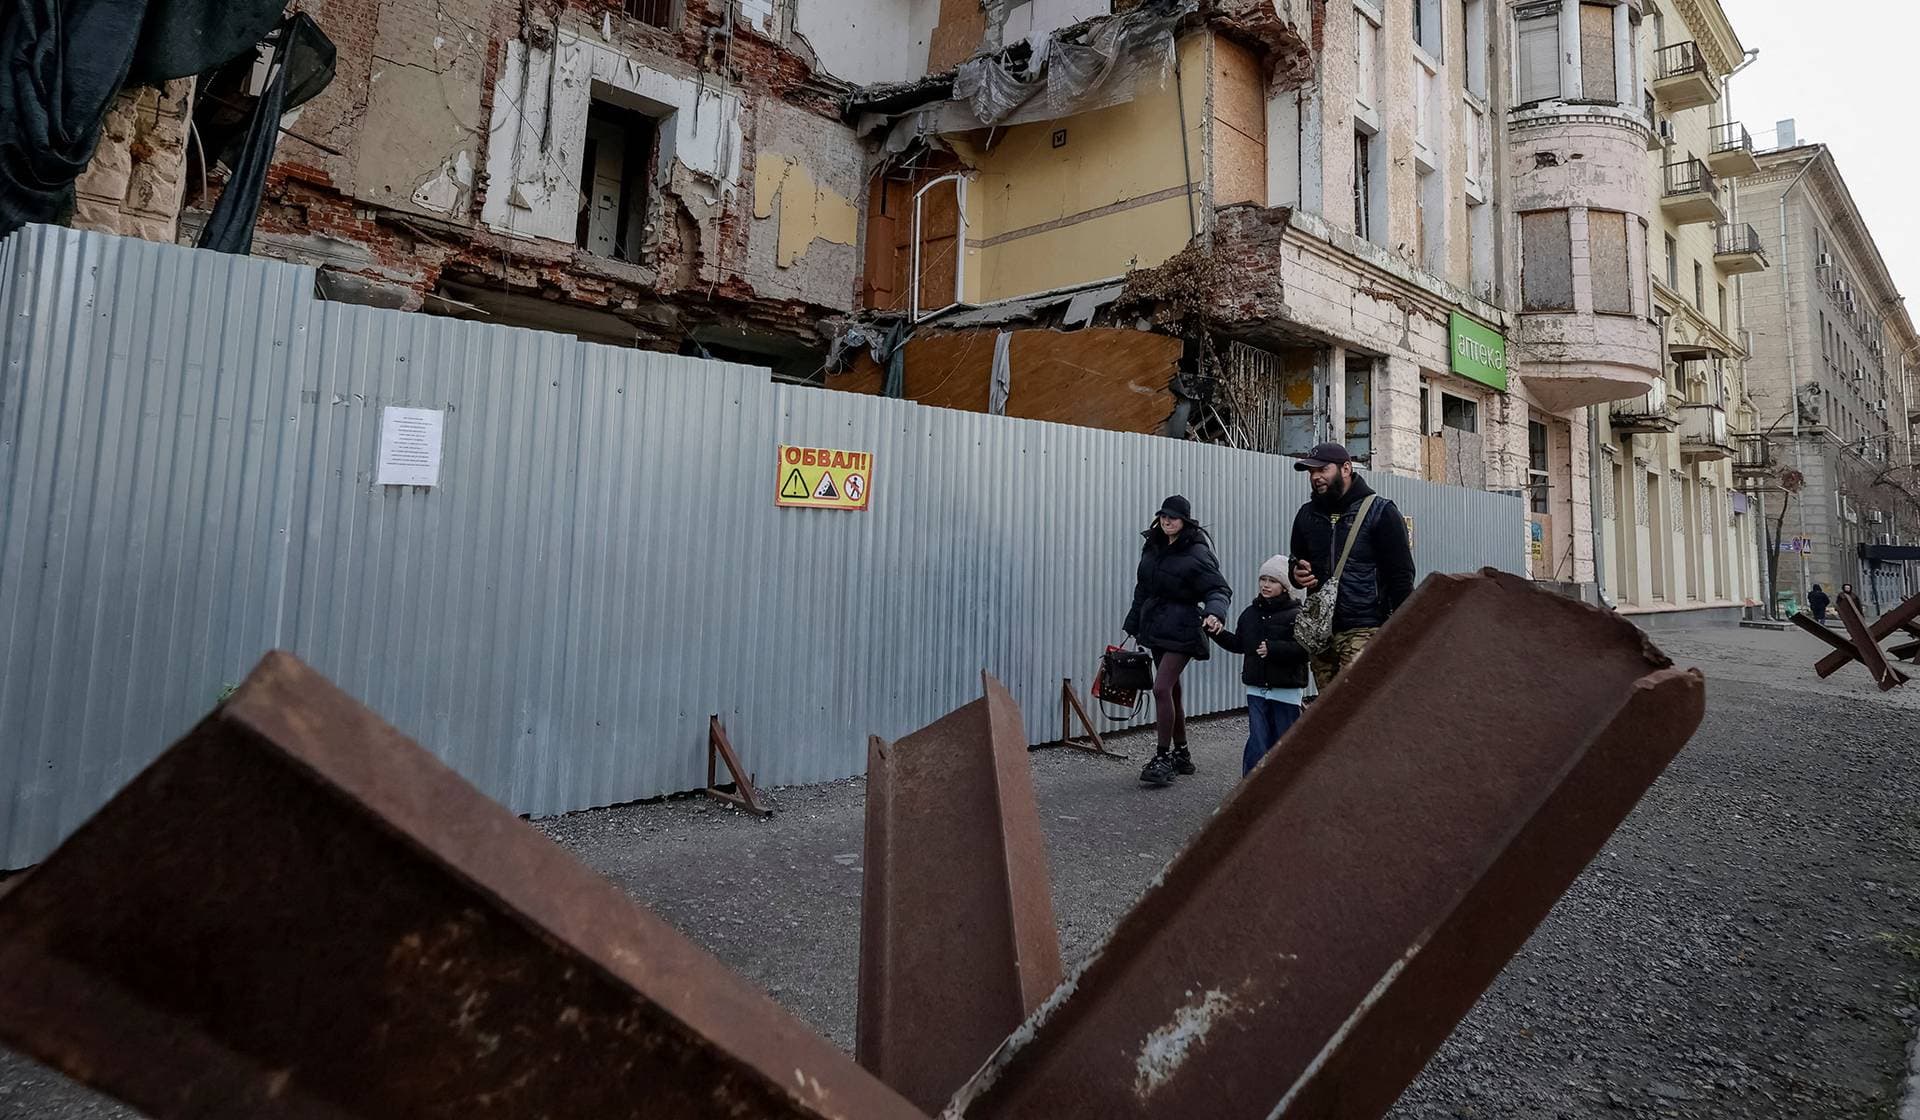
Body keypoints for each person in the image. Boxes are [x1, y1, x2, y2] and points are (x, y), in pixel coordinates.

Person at [1287, 442, 1415, 690]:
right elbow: (1296, 559)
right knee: (1329, 711)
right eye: (1311, 472)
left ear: (1345, 468)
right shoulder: (1307, 515)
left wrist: (1403, 631)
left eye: (1322, 469)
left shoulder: (1381, 512)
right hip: (1322, 633)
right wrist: (1295, 573)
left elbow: (1401, 576)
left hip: (1366, 628)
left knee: (1358, 704)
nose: (1316, 477)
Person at [1125, 495, 1231, 788]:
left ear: (1185, 521)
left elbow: (1219, 589)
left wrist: (1215, 613)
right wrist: (1133, 623)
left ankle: (1162, 757)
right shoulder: (1153, 547)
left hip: (1183, 628)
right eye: (1163, 516)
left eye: (1173, 517)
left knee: (1161, 688)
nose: (1167, 521)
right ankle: (1182, 754)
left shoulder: (1197, 552)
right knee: (1171, 692)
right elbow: (1142, 589)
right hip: (1157, 625)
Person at [1205, 555, 1309, 776]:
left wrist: (1274, 649)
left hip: (1286, 691)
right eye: (1263, 579)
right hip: (1256, 688)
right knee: (1258, 742)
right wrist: (1217, 633)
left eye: (1272, 580)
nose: (1265, 584)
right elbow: (1240, 645)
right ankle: (1249, 791)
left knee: (1285, 742)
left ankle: (1285, 790)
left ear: (1286, 586)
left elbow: (1305, 650)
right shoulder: (1250, 614)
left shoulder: (1297, 616)